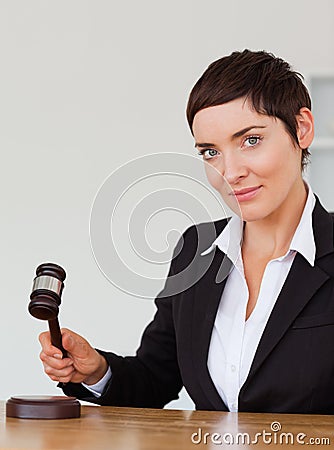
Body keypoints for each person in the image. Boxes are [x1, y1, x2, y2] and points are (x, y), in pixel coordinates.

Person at [39, 49, 334, 414]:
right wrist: (97, 371)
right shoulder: (196, 248)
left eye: (251, 140)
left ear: (302, 128)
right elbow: (156, 378)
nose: (230, 171)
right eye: (211, 152)